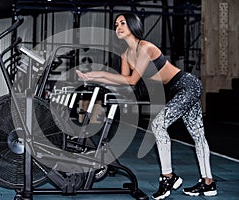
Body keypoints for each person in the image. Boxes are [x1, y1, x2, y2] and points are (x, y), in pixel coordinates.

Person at [76, 12, 217, 200]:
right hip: (175, 90)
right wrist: (94, 75)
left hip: (188, 84)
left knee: (160, 125)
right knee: (197, 135)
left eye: (122, 23)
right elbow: (125, 82)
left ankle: (168, 177)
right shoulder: (125, 54)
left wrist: (98, 75)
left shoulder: (145, 47)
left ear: (133, 25)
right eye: (116, 24)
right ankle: (208, 184)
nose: (118, 27)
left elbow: (133, 79)